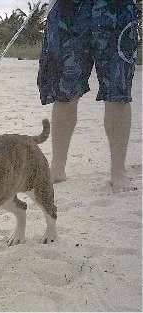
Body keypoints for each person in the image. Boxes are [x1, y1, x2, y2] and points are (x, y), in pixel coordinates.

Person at [37, 0, 139, 191]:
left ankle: (118, 171)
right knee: (64, 92)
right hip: (68, 8)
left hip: (117, 7)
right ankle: (57, 168)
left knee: (119, 91)